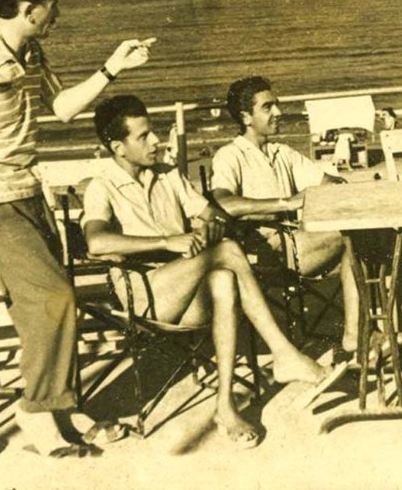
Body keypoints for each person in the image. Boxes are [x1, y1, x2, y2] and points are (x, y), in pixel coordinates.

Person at [0, 0, 155, 456]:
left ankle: (65, 405)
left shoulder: (32, 51)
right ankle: (35, 413)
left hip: (31, 192)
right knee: (52, 300)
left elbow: (62, 109)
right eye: (53, 3)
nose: (58, 12)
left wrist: (112, 67)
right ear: (30, 9)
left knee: (57, 303)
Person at [81, 95, 331, 449]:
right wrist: (169, 241)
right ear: (118, 147)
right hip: (147, 296)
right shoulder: (101, 186)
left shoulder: (167, 175)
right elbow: (96, 242)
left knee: (223, 277)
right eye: (144, 137)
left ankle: (225, 406)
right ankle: (284, 354)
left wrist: (206, 229)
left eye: (153, 132)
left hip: (190, 289)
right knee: (228, 253)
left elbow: (210, 214)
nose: (156, 142)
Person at [210, 76, 361, 363]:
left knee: (364, 238)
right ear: (246, 117)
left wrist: (323, 192)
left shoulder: (283, 153)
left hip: (301, 242)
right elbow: (224, 202)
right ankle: (359, 332)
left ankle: (361, 330)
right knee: (355, 237)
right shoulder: (230, 156)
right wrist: (285, 203)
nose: (278, 112)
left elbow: (331, 182)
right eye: (267, 107)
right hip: (271, 253)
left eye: (276, 105)